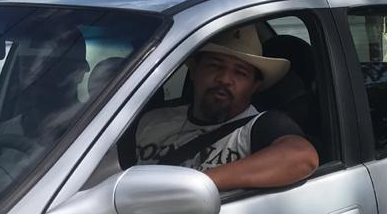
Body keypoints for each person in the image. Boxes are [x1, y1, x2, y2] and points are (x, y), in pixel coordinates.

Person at [133, 25, 318, 191]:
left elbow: (302, 158)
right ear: (194, 71)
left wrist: (197, 185)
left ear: (254, 86)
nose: (224, 79)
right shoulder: (152, 120)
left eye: (240, 72)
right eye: (214, 66)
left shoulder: (259, 126)